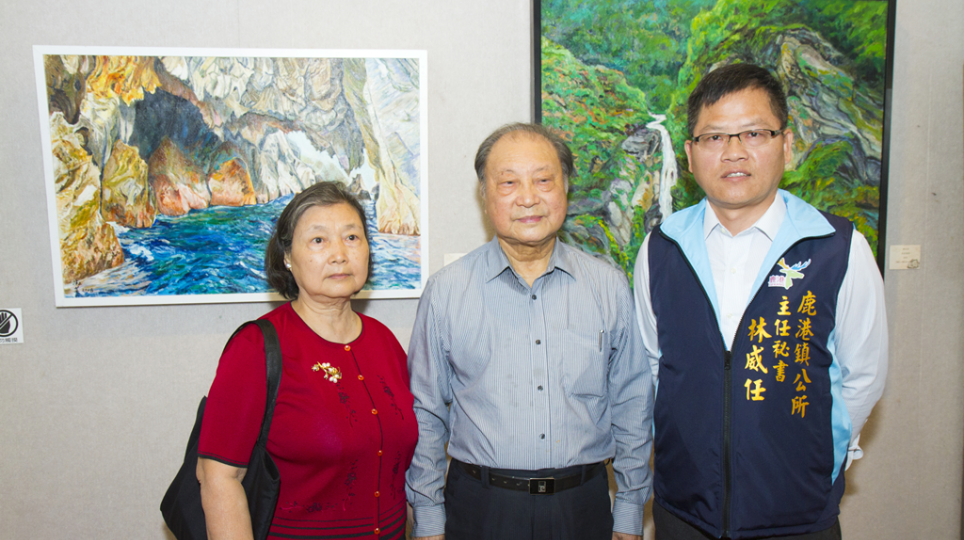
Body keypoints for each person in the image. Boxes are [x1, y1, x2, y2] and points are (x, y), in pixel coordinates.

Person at [634, 63, 888, 540]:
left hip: (796, 517)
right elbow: (652, 367)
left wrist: (814, 458)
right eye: (714, 137)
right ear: (689, 155)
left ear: (786, 145)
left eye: (754, 133)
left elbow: (864, 376)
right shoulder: (660, 248)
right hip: (685, 513)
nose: (734, 152)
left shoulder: (838, 248)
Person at [406, 123, 653, 540]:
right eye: (508, 183)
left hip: (583, 507)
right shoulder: (447, 291)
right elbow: (426, 412)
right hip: (481, 508)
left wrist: (629, 511)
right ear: (484, 195)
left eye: (543, 180)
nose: (527, 198)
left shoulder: (607, 286)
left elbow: (632, 402)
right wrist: (429, 518)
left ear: (565, 188)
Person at [196, 181, 418, 539]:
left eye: (352, 237)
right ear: (287, 256)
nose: (339, 254)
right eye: (318, 240)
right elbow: (218, 477)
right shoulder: (256, 347)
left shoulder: (384, 342)